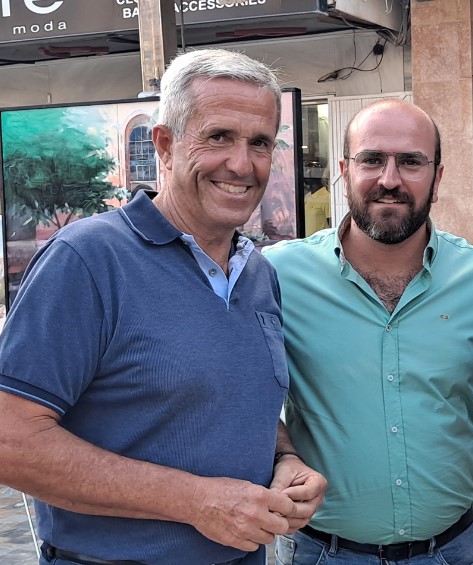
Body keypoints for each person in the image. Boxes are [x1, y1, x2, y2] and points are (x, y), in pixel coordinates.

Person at [0, 48, 326, 565]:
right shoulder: (87, 260)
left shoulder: (258, 272)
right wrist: (195, 501)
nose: (242, 164)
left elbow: (231, 399)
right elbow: (10, 440)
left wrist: (284, 458)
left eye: (259, 143)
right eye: (218, 136)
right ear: (166, 144)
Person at [263, 99, 473, 565]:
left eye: (411, 161)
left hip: (449, 551)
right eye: (372, 159)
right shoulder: (277, 276)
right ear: (343, 171)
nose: (390, 179)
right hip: (322, 553)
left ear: (437, 179)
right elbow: (235, 393)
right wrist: (282, 456)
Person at [303, 169, 331, 236]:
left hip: (320, 243)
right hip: (306, 242)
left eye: (309, 173)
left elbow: (332, 224)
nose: (305, 176)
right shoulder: (307, 196)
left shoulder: (327, 197)